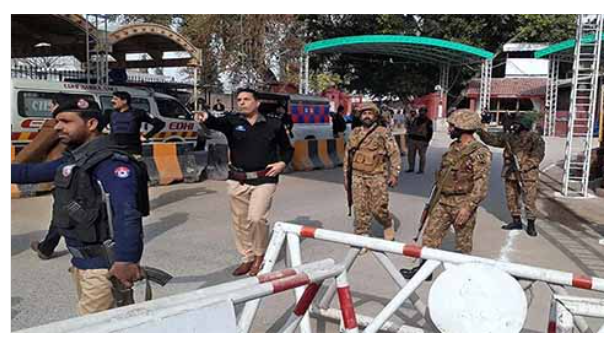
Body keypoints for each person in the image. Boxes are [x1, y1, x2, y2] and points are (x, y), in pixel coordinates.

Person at [12, 96, 150, 315]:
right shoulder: (76, 159)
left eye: (66, 121)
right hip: (81, 265)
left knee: (89, 330)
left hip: (104, 269)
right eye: (57, 121)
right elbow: (30, 172)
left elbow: (127, 213)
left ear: (91, 124)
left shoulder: (111, 163)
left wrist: (127, 260)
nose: (57, 127)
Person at [195, 88, 294, 277]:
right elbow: (214, 121)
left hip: (265, 178)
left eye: (246, 99)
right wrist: (205, 116)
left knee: (256, 218)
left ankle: (259, 256)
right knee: (240, 222)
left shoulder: (273, 124)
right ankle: (246, 257)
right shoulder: (232, 122)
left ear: (257, 103)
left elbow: (287, 149)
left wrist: (282, 163)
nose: (241, 102)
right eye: (239, 99)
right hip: (237, 180)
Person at [400, 109, 492, 279]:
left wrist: (467, 208)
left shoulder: (480, 152)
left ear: (463, 127)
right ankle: (424, 271)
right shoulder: (454, 147)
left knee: (463, 243)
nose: (449, 129)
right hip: (443, 200)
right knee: (430, 236)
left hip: (462, 202)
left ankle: (464, 276)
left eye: (452, 126)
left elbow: (481, 184)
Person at [16, 96, 68, 260]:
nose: (50, 108)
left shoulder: (54, 124)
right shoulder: (81, 123)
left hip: (55, 171)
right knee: (65, 209)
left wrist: (16, 166)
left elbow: (34, 148)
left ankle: (47, 248)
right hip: (72, 170)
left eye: (52, 105)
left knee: (62, 210)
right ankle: (47, 247)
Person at [477, 113, 545, 236]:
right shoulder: (509, 137)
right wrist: (480, 130)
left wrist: (525, 166)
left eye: (517, 124)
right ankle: (516, 221)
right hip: (511, 173)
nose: (514, 126)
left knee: (529, 200)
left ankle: (531, 225)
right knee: (511, 199)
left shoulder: (535, 138)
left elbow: (538, 155)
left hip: (527, 176)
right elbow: (492, 139)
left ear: (524, 125)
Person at [344, 103, 401, 243]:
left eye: (370, 113)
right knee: (360, 208)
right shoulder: (355, 133)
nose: (367, 116)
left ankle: (387, 223)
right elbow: (348, 156)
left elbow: (394, 153)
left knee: (378, 208)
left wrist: (394, 174)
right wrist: (346, 176)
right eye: (364, 113)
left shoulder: (383, 132)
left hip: (377, 175)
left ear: (375, 116)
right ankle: (362, 237)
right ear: (360, 116)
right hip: (357, 175)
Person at [107, 91, 165, 156]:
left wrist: (146, 136)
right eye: (112, 98)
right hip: (115, 151)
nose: (112, 101)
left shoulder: (138, 113)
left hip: (133, 151)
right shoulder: (111, 113)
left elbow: (160, 124)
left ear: (124, 101)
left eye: (115, 99)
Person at [405, 107, 433, 174]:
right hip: (413, 139)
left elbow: (430, 132)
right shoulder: (415, 120)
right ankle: (411, 168)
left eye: (423, 111)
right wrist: (409, 138)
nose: (422, 113)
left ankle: (421, 169)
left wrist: (427, 141)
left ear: (426, 112)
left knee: (422, 156)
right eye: (421, 111)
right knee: (410, 155)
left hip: (422, 140)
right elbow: (411, 128)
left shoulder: (429, 121)